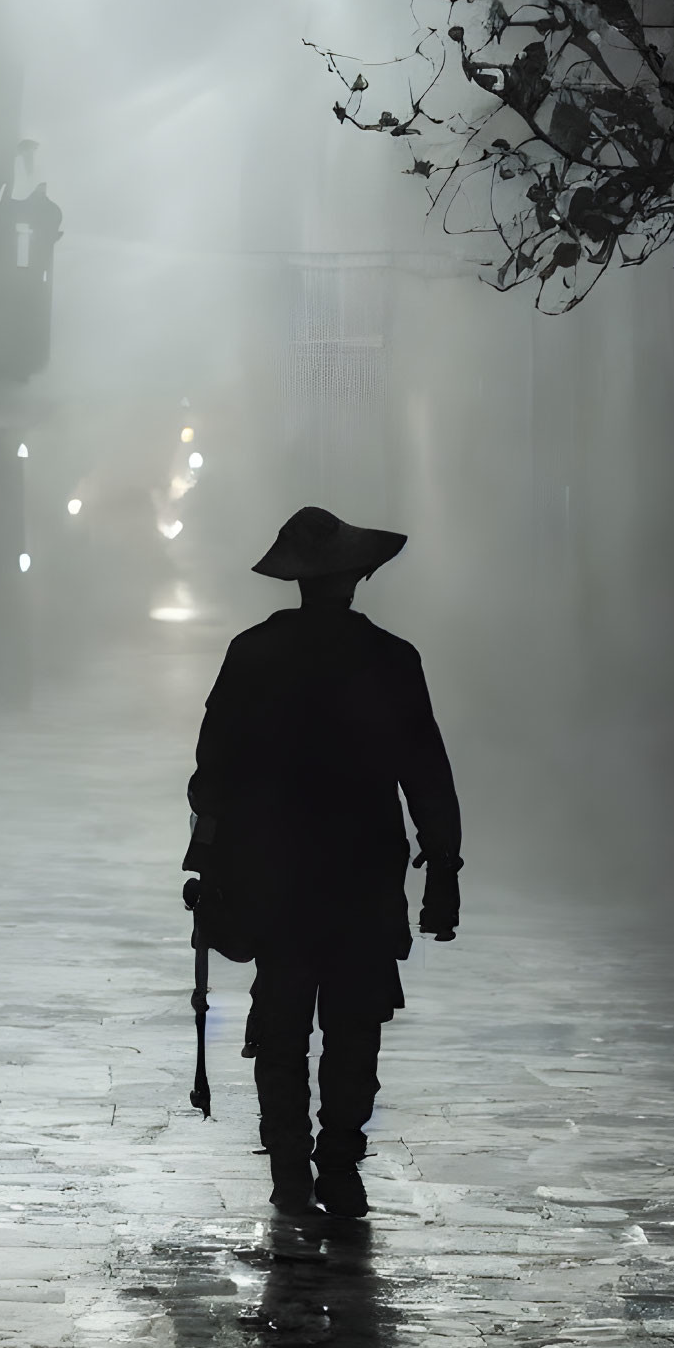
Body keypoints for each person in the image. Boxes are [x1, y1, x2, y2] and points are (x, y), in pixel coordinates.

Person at [186, 507, 462, 1217]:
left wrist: (206, 863)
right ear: (356, 575)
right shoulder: (390, 659)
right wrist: (442, 870)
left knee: (280, 1024)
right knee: (354, 1025)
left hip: (275, 874)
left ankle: (288, 1164)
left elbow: (211, 769)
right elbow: (425, 771)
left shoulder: (254, 653)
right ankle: (338, 1160)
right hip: (362, 874)